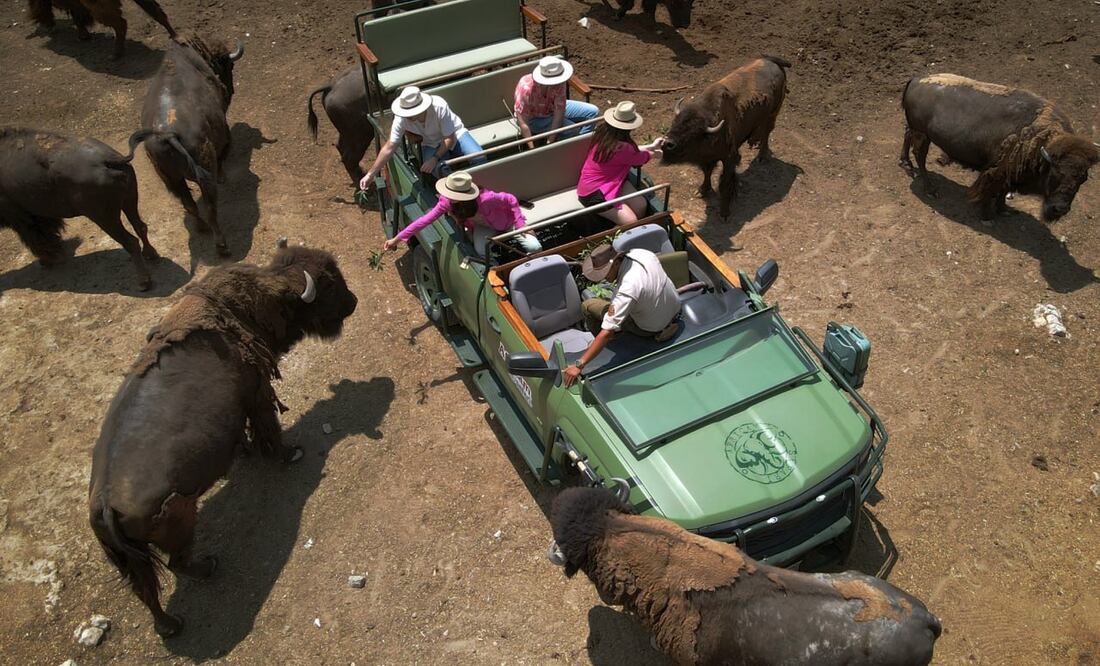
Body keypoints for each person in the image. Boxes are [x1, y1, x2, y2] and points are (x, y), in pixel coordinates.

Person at [562, 244, 681, 388]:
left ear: (617, 262)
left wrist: (579, 365)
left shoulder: (626, 289)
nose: (604, 278)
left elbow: (606, 332)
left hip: (650, 328)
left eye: (606, 273)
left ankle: (612, 345)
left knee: (588, 306)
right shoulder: (642, 252)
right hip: (674, 309)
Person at [382, 171, 541, 255]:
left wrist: (521, 224)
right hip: (482, 226)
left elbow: (511, 199)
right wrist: (396, 239)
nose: (448, 197)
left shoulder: (486, 198)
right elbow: (424, 221)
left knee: (534, 247)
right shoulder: (446, 203)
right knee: (480, 251)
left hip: (506, 222)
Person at [359, 86, 484, 191]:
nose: (407, 116)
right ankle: (458, 193)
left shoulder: (439, 106)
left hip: (455, 134)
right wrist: (371, 174)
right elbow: (389, 147)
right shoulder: (401, 119)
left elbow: (450, 138)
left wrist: (434, 158)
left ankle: (481, 188)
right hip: (430, 143)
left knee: (479, 157)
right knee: (439, 170)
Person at [576, 101, 664, 226]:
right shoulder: (622, 147)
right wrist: (655, 154)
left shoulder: (604, 135)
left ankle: (628, 228)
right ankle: (619, 233)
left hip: (612, 181)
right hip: (594, 194)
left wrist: (651, 146)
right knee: (631, 221)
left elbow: (629, 154)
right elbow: (638, 158)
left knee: (641, 205)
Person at [514, 56, 600, 147]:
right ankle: (570, 147)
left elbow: (559, 114)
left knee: (593, 112)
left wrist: (550, 141)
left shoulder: (560, 82)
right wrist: (532, 148)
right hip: (534, 118)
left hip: (551, 109)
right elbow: (524, 123)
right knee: (572, 129)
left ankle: (580, 146)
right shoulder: (526, 89)